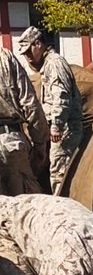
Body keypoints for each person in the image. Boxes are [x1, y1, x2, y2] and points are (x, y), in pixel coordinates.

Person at [17, 27, 84, 194]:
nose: (28, 58)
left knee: (60, 172)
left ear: (38, 44)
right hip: (60, 127)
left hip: (66, 128)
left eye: (29, 52)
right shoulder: (47, 64)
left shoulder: (54, 63)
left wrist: (56, 125)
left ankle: (64, 209)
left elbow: (61, 96)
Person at [0, 45, 49, 195]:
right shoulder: (5, 57)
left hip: (10, 141)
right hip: (10, 142)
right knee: (28, 206)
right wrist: (40, 143)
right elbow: (29, 103)